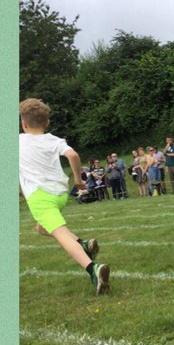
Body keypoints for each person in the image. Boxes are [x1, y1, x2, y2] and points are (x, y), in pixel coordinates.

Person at [18, 98, 109, 294]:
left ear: (23, 123)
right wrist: (78, 180)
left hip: (40, 197)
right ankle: (83, 244)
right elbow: (73, 156)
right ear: (47, 122)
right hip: (60, 195)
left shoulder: (18, 141)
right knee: (41, 228)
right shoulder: (55, 139)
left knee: (60, 233)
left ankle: (93, 269)